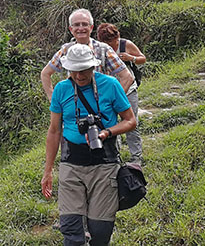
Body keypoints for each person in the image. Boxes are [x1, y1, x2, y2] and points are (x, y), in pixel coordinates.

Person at [42, 43, 137, 246]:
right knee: (71, 229)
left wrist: (107, 132)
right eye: (74, 70)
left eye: (84, 70)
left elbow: (130, 120)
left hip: (105, 165)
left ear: (93, 67)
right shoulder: (61, 89)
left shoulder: (111, 85)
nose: (79, 75)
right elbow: (54, 130)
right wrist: (48, 171)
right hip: (71, 164)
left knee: (100, 233)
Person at [40, 9, 133, 102]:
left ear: (91, 28)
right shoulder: (66, 50)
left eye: (84, 24)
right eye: (76, 25)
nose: (81, 28)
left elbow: (127, 77)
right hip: (74, 108)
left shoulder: (103, 49)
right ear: (71, 29)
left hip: (99, 109)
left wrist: (114, 102)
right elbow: (45, 73)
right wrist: (53, 100)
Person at [97, 23, 146, 165]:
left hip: (128, 90)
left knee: (131, 123)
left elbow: (143, 58)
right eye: (109, 43)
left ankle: (136, 157)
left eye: (114, 42)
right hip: (108, 93)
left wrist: (131, 58)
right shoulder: (97, 50)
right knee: (112, 125)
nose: (113, 45)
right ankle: (115, 156)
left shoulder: (125, 44)